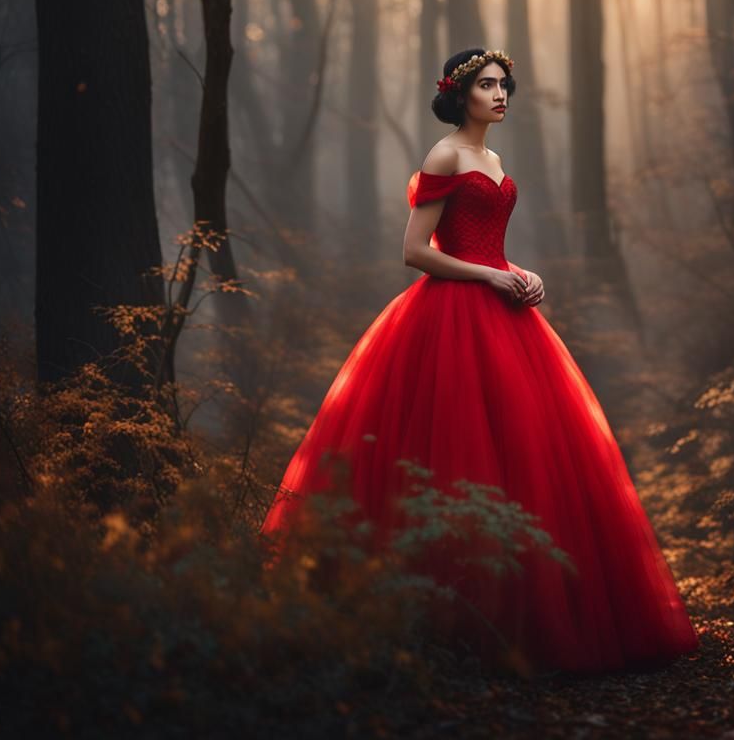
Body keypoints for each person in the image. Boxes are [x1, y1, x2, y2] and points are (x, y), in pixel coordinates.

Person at [259, 47, 699, 673]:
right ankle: (440, 628)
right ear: (459, 94)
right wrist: (489, 278)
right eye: (487, 85)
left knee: (527, 452)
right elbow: (415, 251)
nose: (500, 95)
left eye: (503, 85)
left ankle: (529, 623)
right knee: (452, 454)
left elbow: (488, 247)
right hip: (447, 317)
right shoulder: (444, 155)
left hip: (503, 313)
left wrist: (520, 273)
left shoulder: (493, 160)